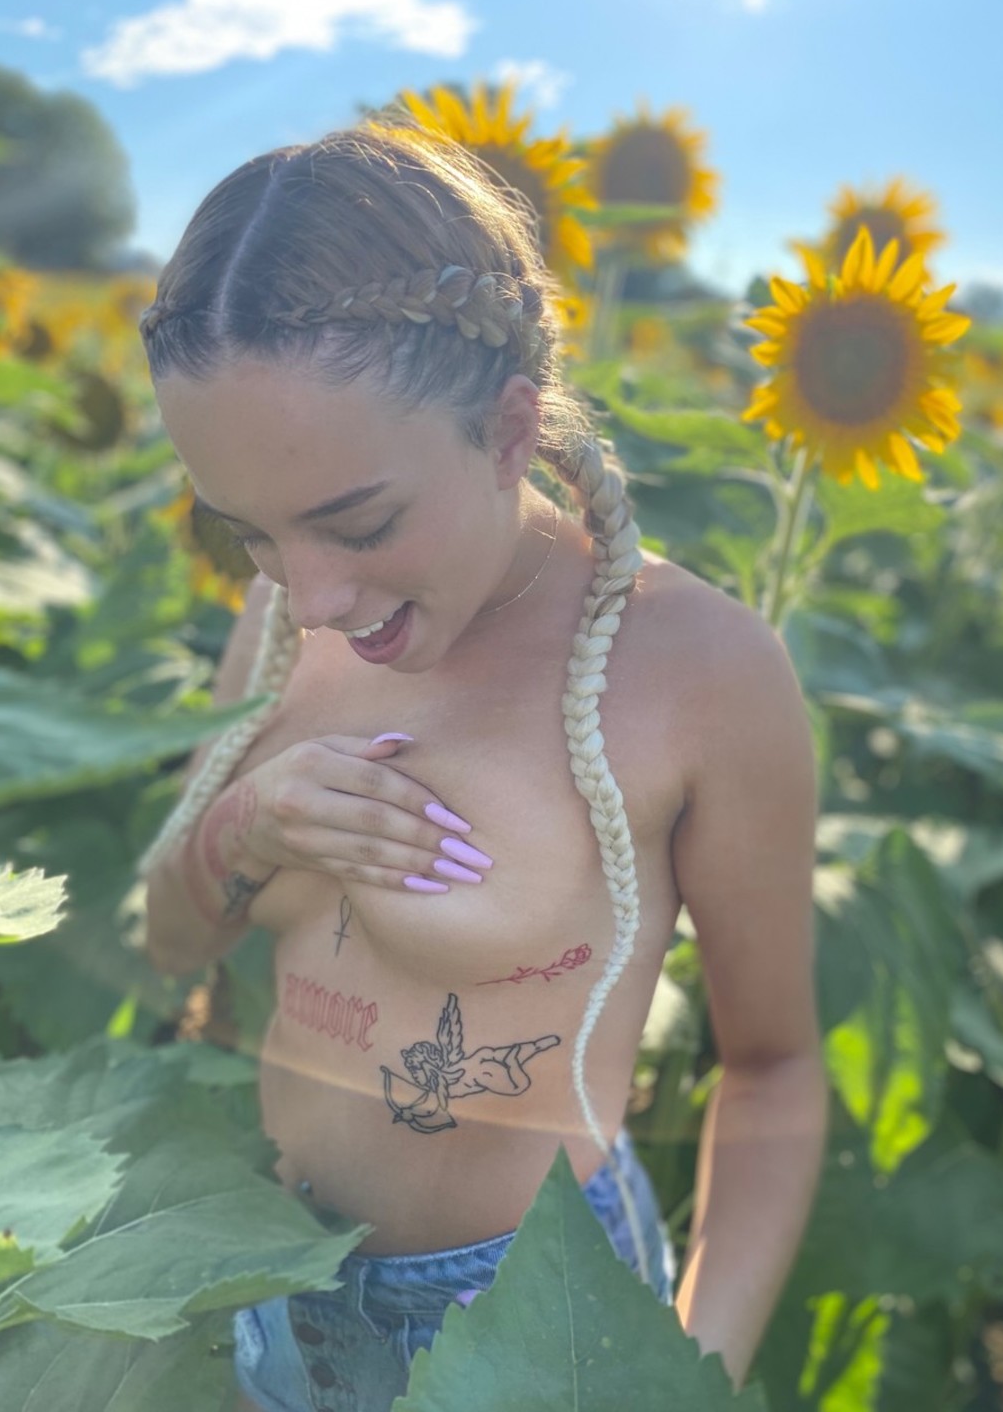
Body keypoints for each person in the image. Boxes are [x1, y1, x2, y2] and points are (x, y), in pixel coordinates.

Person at [137, 117, 828, 1412]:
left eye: (359, 523)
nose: (315, 597)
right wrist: (247, 828)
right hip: (262, 1279)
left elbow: (773, 1069)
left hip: (526, 1319)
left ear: (511, 431)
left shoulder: (697, 671)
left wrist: (685, 1375)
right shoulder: (278, 619)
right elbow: (174, 945)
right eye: (251, 534)